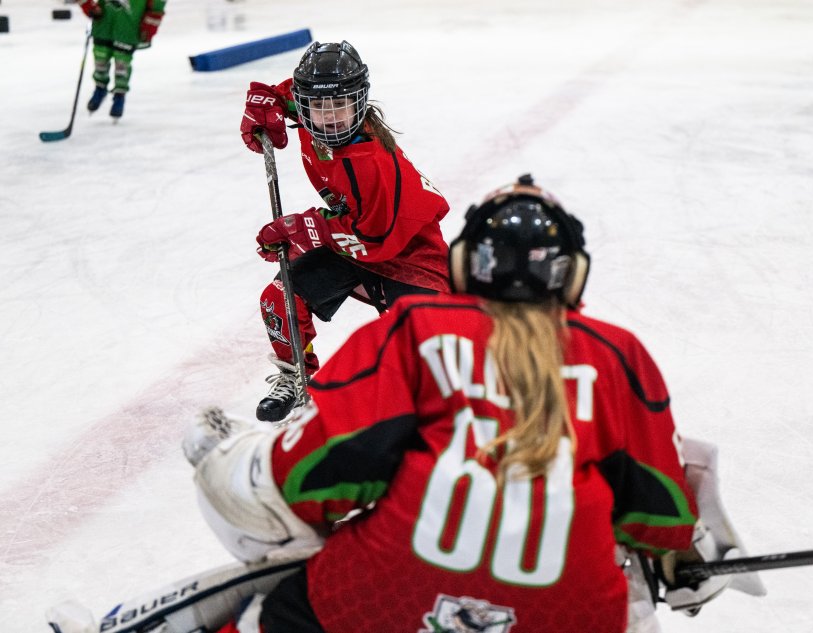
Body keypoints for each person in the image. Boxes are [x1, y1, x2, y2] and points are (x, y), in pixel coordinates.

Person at [186, 176, 759, 633]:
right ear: (572, 276)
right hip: (570, 611)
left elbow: (305, 477)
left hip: (388, 593)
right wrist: (680, 560)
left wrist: (228, 458)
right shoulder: (618, 354)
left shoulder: (415, 327)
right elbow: (661, 521)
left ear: (463, 265)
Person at [240, 40, 451, 423]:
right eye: (319, 106)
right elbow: (286, 94)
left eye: (340, 104)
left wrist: (304, 228)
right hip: (352, 241)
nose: (331, 115)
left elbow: (374, 241)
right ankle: (296, 377)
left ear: (360, 102)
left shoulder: (372, 163)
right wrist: (265, 103)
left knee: (425, 366)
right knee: (280, 298)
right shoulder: (310, 109)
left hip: (411, 259)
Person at [77, 0, 165, 119]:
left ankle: (120, 94)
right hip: (104, 23)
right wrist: (88, 5)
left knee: (122, 63)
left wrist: (151, 22)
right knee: (100, 59)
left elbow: (158, 3)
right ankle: (100, 87)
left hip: (129, 25)